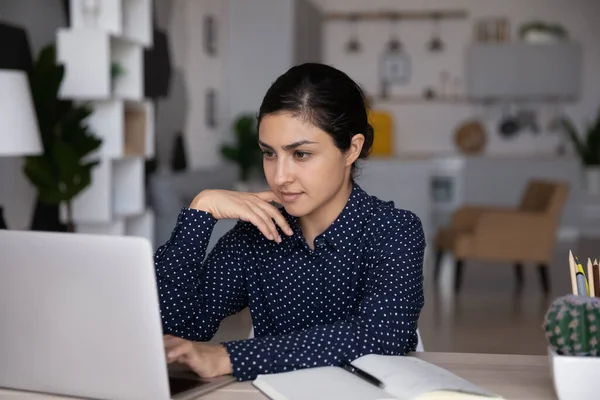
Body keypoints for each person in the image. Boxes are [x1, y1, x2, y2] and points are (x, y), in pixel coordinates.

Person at [156, 63, 426, 382]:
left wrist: (229, 357)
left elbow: (381, 336)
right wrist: (200, 212)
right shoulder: (256, 234)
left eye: (300, 155)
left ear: (351, 149)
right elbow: (181, 327)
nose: (280, 177)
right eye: (269, 154)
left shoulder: (394, 231)